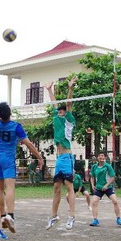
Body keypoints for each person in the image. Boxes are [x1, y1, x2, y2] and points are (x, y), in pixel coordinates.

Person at [0, 102, 43, 234]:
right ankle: (10, 215)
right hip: (7, 159)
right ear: (10, 113)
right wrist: (39, 157)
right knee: (10, 187)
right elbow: (28, 144)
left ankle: (3, 215)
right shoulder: (16, 127)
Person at [45, 77, 77, 230]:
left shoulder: (68, 120)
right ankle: (54, 216)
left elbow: (68, 104)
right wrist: (49, 90)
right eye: (59, 111)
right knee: (56, 187)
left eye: (63, 111)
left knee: (69, 186)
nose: (61, 112)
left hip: (67, 157)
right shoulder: (56, 118)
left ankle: (71, 216)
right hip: (59, 159)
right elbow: (54, 104)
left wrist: (70, 88)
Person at [89, 151, 121, 227]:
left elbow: (112, 178)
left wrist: (106, 185)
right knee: (94, 202)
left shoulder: (108, 166)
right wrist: (92, 185)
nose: (101, 157)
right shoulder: (94, 166)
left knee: (115, 201)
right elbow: (92, 176)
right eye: (99, 156)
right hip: (99, 188)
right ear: (97, 158)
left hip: (108, 187)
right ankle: (95, 220)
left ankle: (118, 219)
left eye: (102, 156)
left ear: (105, 157)